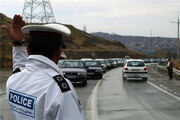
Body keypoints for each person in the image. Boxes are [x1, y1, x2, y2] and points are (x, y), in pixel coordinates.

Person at [1, 15, 84, 120]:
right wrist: (18, 44)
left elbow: (19, 69)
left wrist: (18, 44)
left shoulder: (13, 81)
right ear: (59, 52)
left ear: (28, 50)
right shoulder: (59, 90)